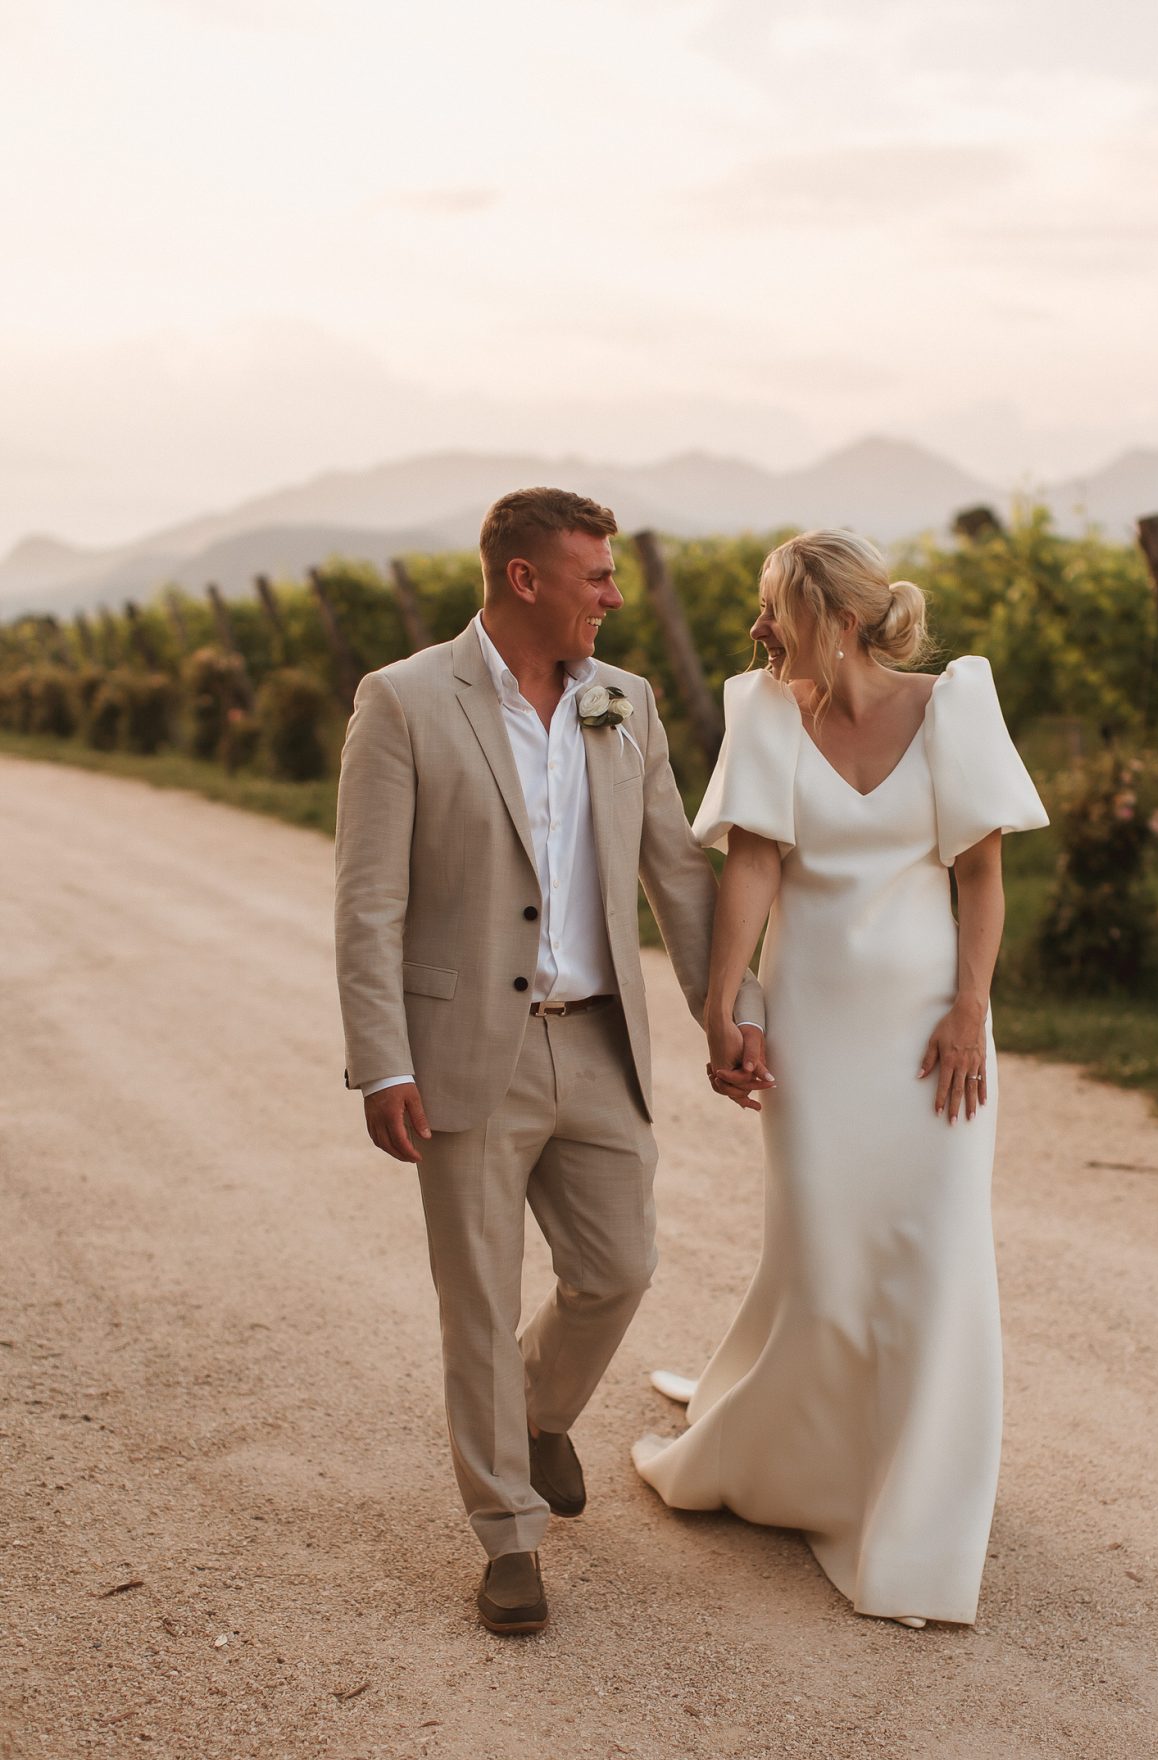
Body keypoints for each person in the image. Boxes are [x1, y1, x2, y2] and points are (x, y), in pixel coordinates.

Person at [334, 487, 767, 1636]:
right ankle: (508, 1537)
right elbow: (369, 902)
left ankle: (538, 1412)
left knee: (618, 1265)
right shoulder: (406, 700)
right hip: (463, 1049)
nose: (615, 595)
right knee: (476, 1299)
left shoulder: (623, 703)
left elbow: (676, 872)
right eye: (597, 575)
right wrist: (381, 1061)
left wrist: (728, 1008)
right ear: (524, 579)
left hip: (595, 1038)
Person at [633, 530, 1048, 1627]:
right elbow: (754, 864)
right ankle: (802, 1459)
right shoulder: (767, 710)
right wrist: (727, 1005)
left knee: (935, 1252)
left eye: (774, 609)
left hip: (932, 1036)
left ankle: (919, 1518)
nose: (759, 630)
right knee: (823, 1253)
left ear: (838, 616)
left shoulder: (956, 703)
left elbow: (983, 873)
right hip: (814, 1025)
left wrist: (970, 1009)